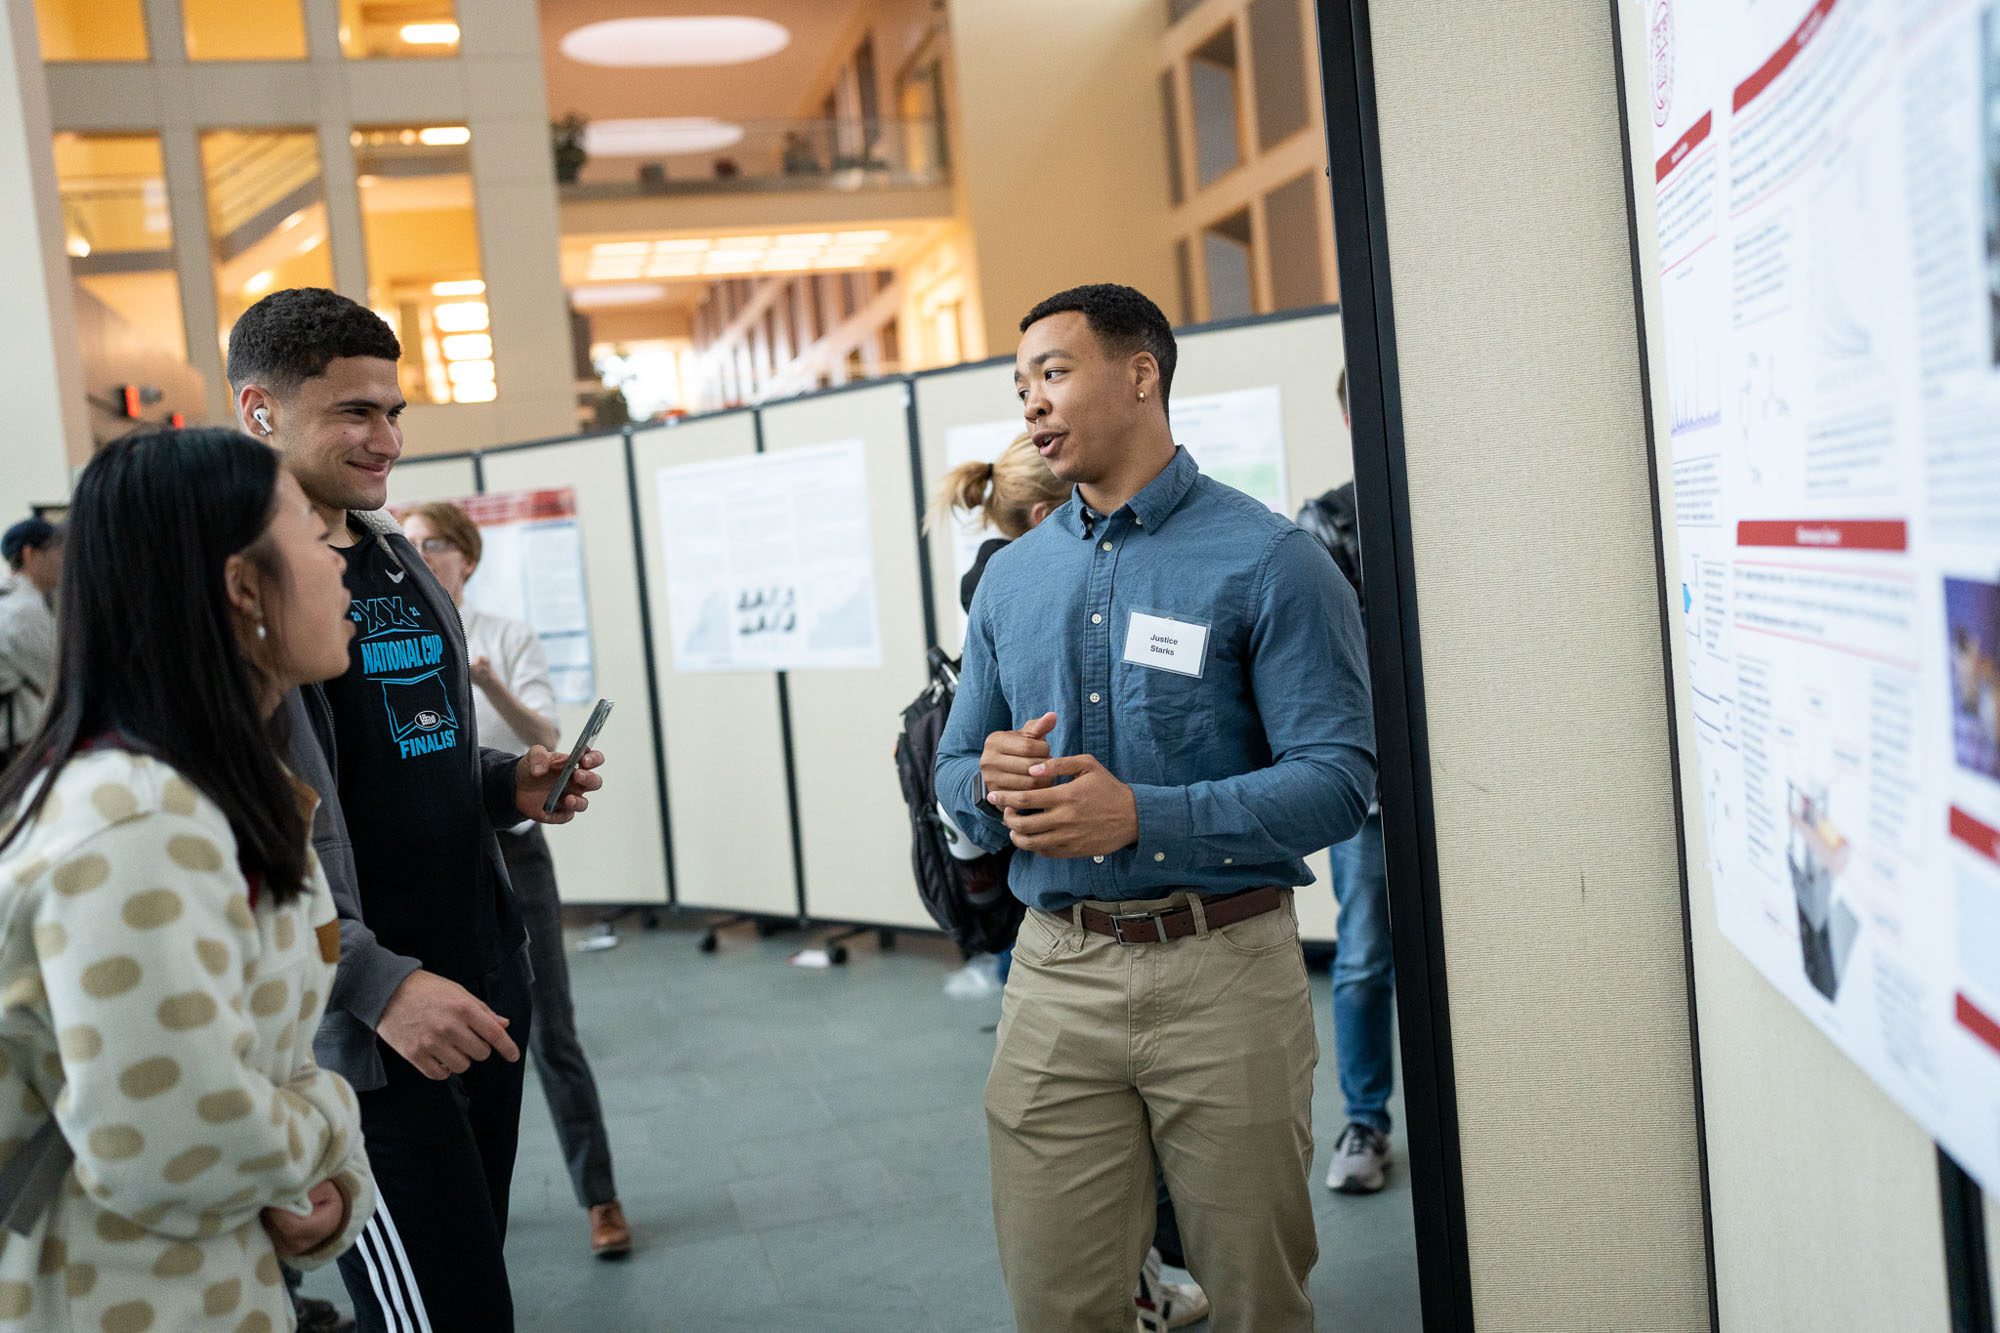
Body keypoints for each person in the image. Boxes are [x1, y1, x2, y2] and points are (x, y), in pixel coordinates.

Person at [935, 284, 1376, 1332]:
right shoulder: (1009, 583)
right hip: (1054, 975)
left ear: (1140, 374)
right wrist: (990, 781)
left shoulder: (1271, 561)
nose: (1031, 404)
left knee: (1253, 1299)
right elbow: (954, 771)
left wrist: (1141, 815)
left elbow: (1336, 780)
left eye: (1052, 372)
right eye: (1019, 385)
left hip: (1221, 974)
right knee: (1059, 1300)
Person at [228, 286, 605, 1332]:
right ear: (261, 411)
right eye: (355, 411)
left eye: (394, 411)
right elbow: (254, 836)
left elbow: (400, 762)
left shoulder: (393, 555)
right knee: (440, 1314)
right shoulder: (239, 589)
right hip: (368, 1024)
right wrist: (374, 982)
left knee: (473, 1284)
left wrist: (503, 787)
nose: (385, 437)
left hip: (477, 982)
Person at [0, 428, 375, 1329]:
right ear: (243, 586)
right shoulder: (137, 822)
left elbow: (243, 1076)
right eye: (315, 537)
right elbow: (174, 1148)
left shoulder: (214, 791)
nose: (340, 564)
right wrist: (332, 1117)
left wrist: (327, 1190)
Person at [401, 501, 632, 1260]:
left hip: (518, 848)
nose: (421, 552)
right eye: (409, 542)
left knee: (553, 1031)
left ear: (466, 556)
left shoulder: (505, 634)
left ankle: (600, 1195)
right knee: (447, 1043)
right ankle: (471, 1209)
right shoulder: (392, 636)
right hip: (435, 859)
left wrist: (486, 681)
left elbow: (542, 738)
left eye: (435, 541)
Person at [1294, 367, 1396, 1194]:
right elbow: (1337, 661)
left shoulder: (1459, 507)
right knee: (1363, 957)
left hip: (1471, 787)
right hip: (1368, 791)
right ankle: (1365, 1119)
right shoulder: (1327, 523)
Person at [0, 517, 61, 771]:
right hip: (17, 747)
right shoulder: (23, 611)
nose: (64, 560)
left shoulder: (12, 600)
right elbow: (58, 679)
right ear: (30, 554)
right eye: (58, 551)